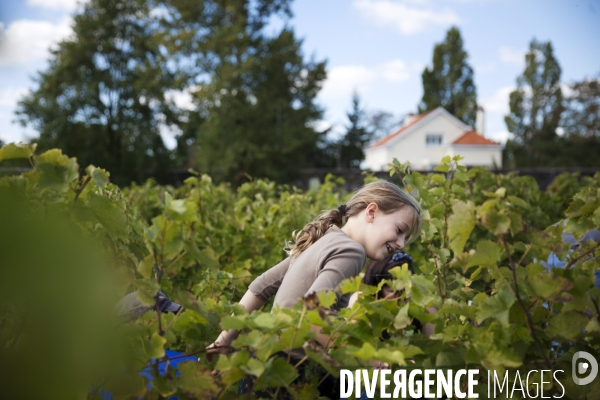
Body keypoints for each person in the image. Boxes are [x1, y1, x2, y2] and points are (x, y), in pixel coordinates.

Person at [206, 180, 422, 395]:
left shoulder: (322, 239)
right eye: (400, 230)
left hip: (263, 366)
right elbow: (313, 315)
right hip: (297, 376)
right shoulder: (352, 251)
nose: (401, 244)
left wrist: (222, 341)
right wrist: (375, 361)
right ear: (372, 212)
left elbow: (261, 287)